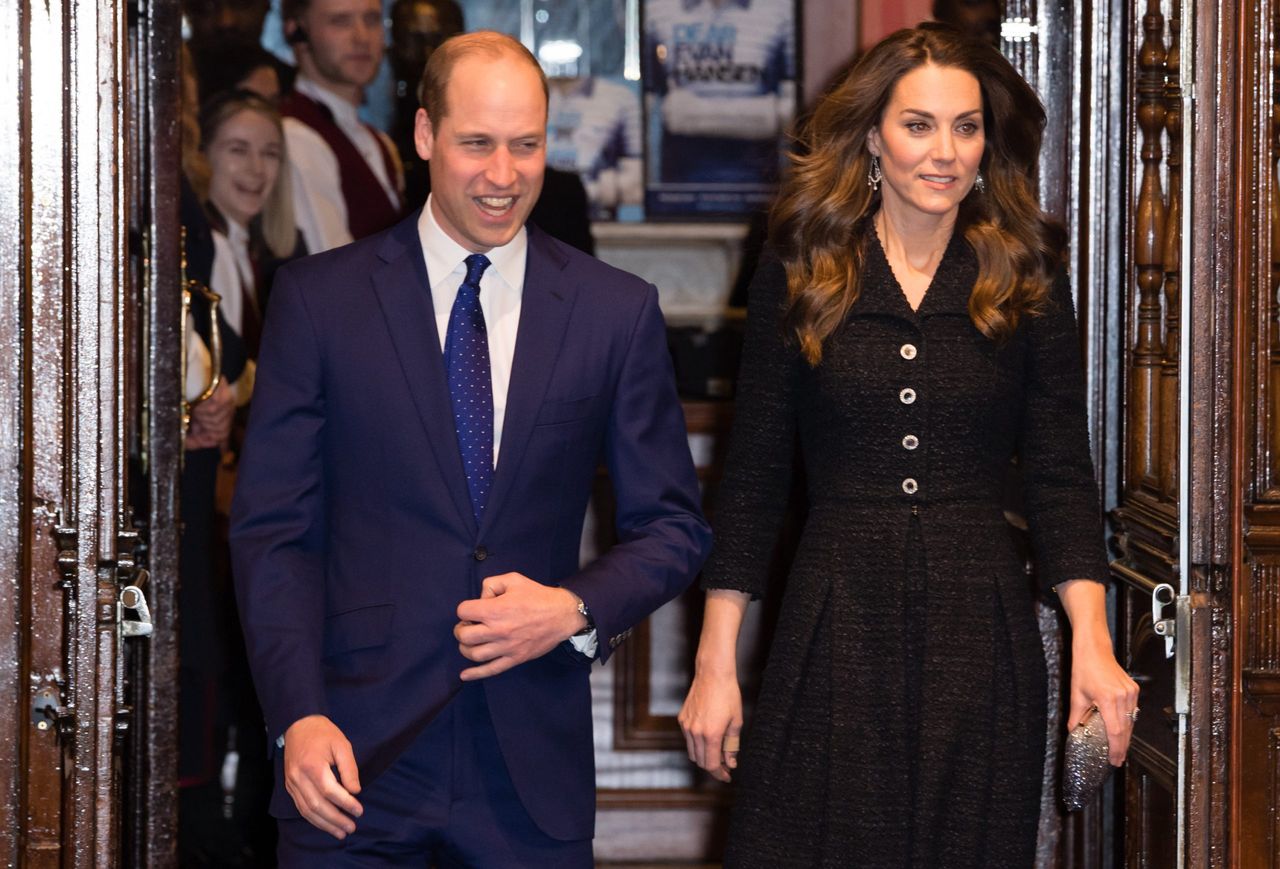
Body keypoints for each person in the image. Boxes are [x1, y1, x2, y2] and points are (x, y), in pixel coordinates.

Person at [230, 30, 711, 867]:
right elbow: (273, 530)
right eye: (477, 144)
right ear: (424, 136)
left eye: (526, 145)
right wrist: (295, 714)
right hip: (349, 758)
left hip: (530, 766)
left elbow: (673, 525)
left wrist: (574, 608)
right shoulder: (319, 301)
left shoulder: (614, 311)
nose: (504, 175)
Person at [678, 23, 1140, 868]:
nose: (946, 152)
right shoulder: (802, 264)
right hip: (831, 616)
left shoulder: (1026, 269)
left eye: (965, 127)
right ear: (871, 136)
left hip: (983, 630)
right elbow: (752, 480)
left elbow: (1060, 472)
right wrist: (715, 663)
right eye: (919, 125)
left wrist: (1093, 642)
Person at [279, 0, 404, 253]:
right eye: (340, 21)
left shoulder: (376, 140)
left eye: (371, 20)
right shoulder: (295, 135)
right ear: (297, 33)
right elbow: (331, 270)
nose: (362, 37)